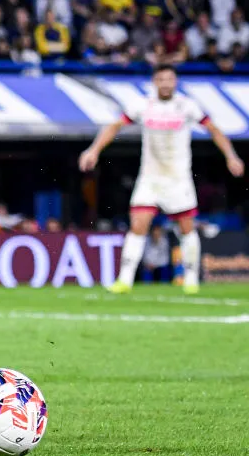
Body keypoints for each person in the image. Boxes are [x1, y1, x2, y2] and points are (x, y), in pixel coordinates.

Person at [79, 64, 244, 294]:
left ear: (175, 82)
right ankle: (124, 280)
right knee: (138, 224)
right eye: (161, 79)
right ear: (154, 82)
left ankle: (190, 278)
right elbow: (115, 126)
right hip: (150, 177)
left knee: (186, 228)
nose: (166, 83)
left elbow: (213, 129)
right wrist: (93, 150)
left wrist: (231, 156)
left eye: (170, 79)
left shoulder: (187, 106)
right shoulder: (143, 105)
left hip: (178, 178)